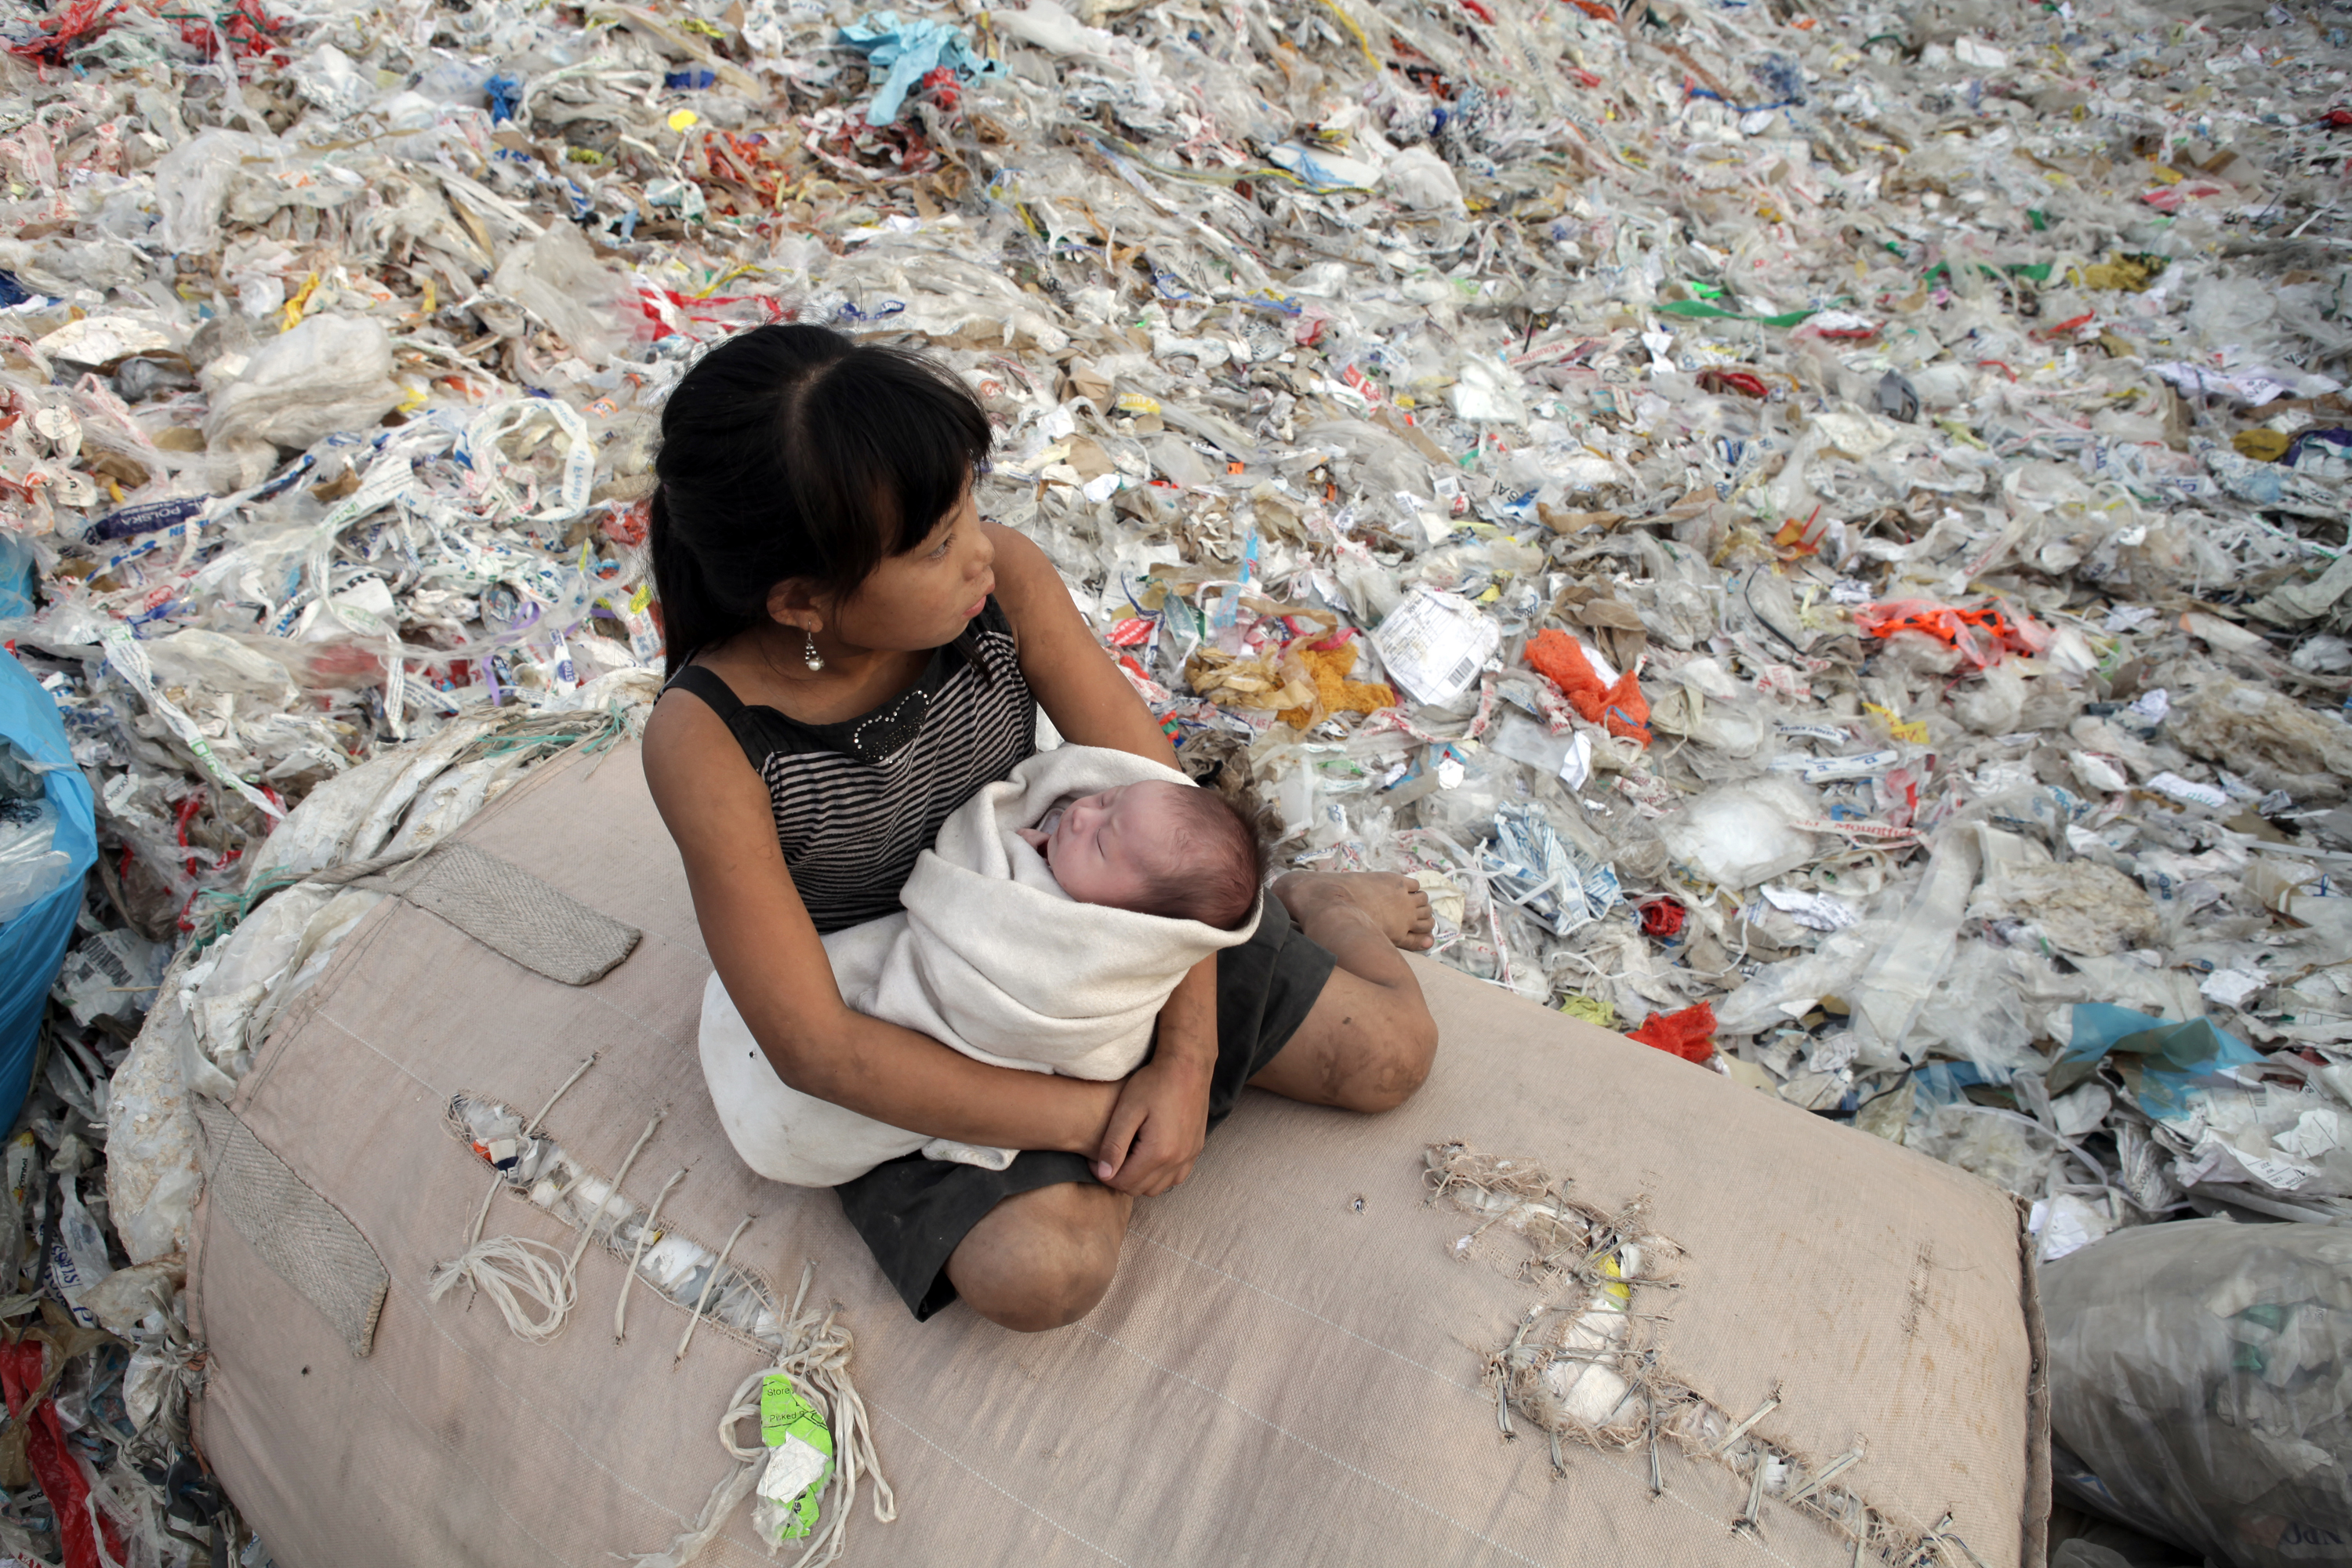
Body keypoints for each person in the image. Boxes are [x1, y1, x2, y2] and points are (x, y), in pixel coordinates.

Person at [640, 322, 1439, 1332]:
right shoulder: (709, 740)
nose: (980, 548)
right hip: (923, 1009)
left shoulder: (1000, 584)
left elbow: (1157, 786)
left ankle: (1310, 902)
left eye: (971, 504)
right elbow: (818, 1048)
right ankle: (1087, 1135)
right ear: (801, 600)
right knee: (1040, 1274)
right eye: (935, 545)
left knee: (1392, 1055)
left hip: (1100, 909)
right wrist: (1108, 1113)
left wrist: (1182, 1065)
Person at [1017, 775, 1260, 930]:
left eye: (1100, 842)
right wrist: (1045, 850)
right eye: (1105, 800)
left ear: (1128, 917)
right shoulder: (1087, 879)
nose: (1081, 814)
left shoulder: (1074, 928)